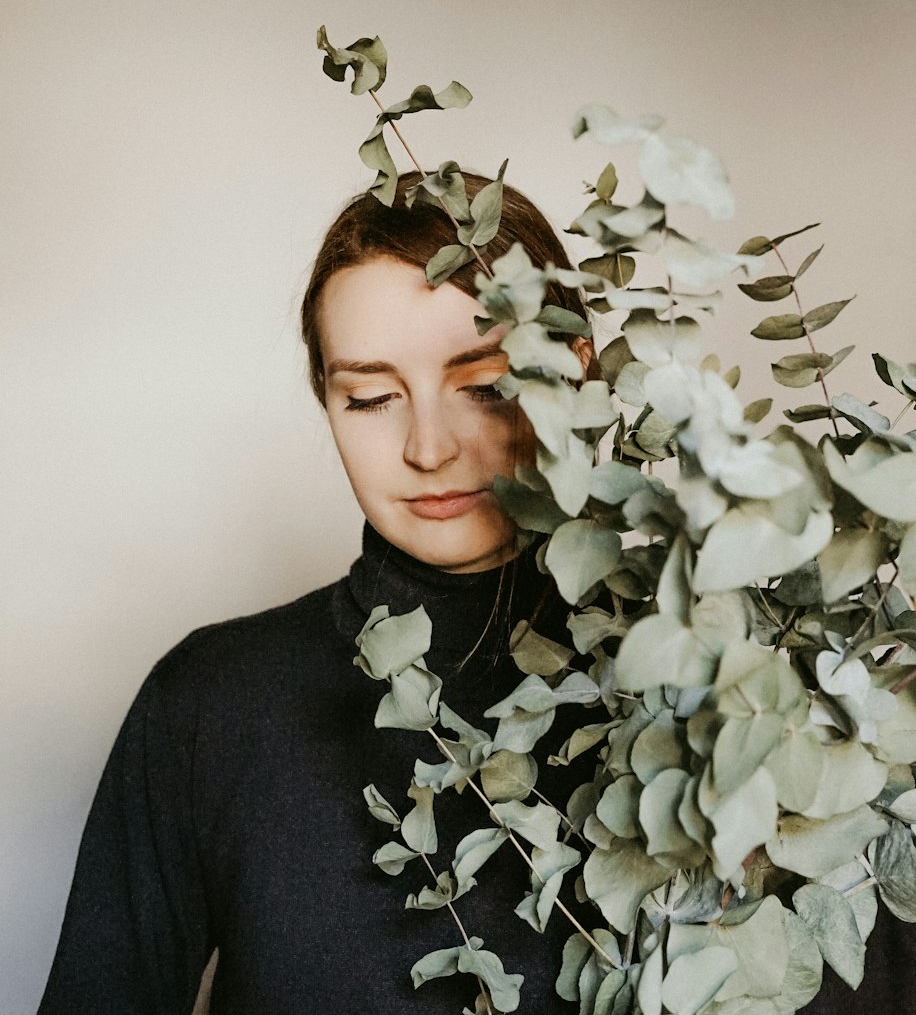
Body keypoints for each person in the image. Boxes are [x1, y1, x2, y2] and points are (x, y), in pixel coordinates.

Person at [37, 171, 592, 1014]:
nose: (429, 448)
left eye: (482, 385)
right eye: (370, 397)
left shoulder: (718, 703)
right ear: (328, 400)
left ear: (576, 372)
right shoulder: (210, 705)